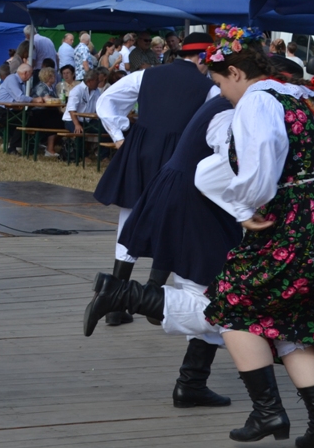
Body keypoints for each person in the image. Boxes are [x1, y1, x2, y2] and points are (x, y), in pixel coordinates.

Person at [93, 33, 314, 447]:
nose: (221, 94)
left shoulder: (257, 101)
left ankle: (267, 412)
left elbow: (258, 155)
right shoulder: (297, 99)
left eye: (221, 84)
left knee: (232, 308)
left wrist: (246, 208)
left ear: (235, 73)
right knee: (290, 326)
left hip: (295, 222)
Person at [86, 94, 239, 411]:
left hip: (190, 199)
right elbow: (218, 169)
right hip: (197, 204)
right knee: (218, 302)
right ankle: (124, 296)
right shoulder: (231, 111)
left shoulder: (223, 103)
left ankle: (192, 383)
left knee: (211, 293)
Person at [93, 32, 219, 326]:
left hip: (140, 152)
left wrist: (120, 134)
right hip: (179, 159)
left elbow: (107, 100)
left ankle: (115, 302)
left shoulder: (146, 76)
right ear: (202, 58)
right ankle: (153, 299)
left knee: (130, 217)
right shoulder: (209, 89)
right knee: (172, 222)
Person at [63, 70, 101, 135]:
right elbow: (72, 110)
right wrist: (77, 124)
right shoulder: (77, 90)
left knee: (106, 130)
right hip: (72, 120)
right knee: (79, 133)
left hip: (88, 121)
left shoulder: (96, 91)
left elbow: (100, 106)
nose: (99, 82)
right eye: (97, 80)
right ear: (89, 81)